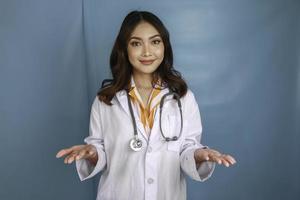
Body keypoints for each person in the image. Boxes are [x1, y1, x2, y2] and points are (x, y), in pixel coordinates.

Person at [56, 10, 236, 200]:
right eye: (136, 43)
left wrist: (199, 154)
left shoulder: (182, 98)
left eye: (155, 41)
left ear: (164, 46)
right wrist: (92, 153)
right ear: (124, 49)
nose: (147, 52)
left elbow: (187, 149)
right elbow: (100, 149)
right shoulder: (106, 100)